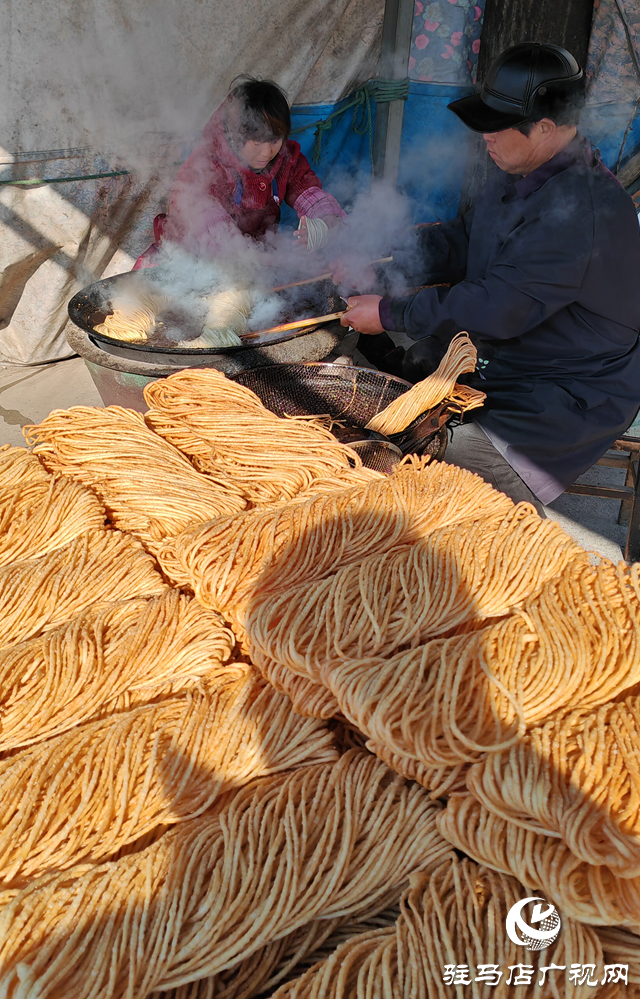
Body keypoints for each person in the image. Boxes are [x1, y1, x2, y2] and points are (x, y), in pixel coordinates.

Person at [341, 42, 640, 514]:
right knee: (405, 385)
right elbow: (463, 240)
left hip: (565, 391)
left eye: (496, 127)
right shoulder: (522, 168)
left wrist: (389, 312)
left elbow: (499, 307)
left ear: (545, 128)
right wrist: (381, 266)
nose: (486, 138)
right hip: (508, 362)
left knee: (438, 463)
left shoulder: (583, 210)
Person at [134, 77, 346, 268]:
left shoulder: (286, 158)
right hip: (188, 263)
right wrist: (286, 261)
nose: (266, 152)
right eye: (256, 143)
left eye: (274, 140)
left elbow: (312, 197)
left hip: (255, 263)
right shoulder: (204, 168)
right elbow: (222, 244)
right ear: (235, 136)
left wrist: (325, 224)